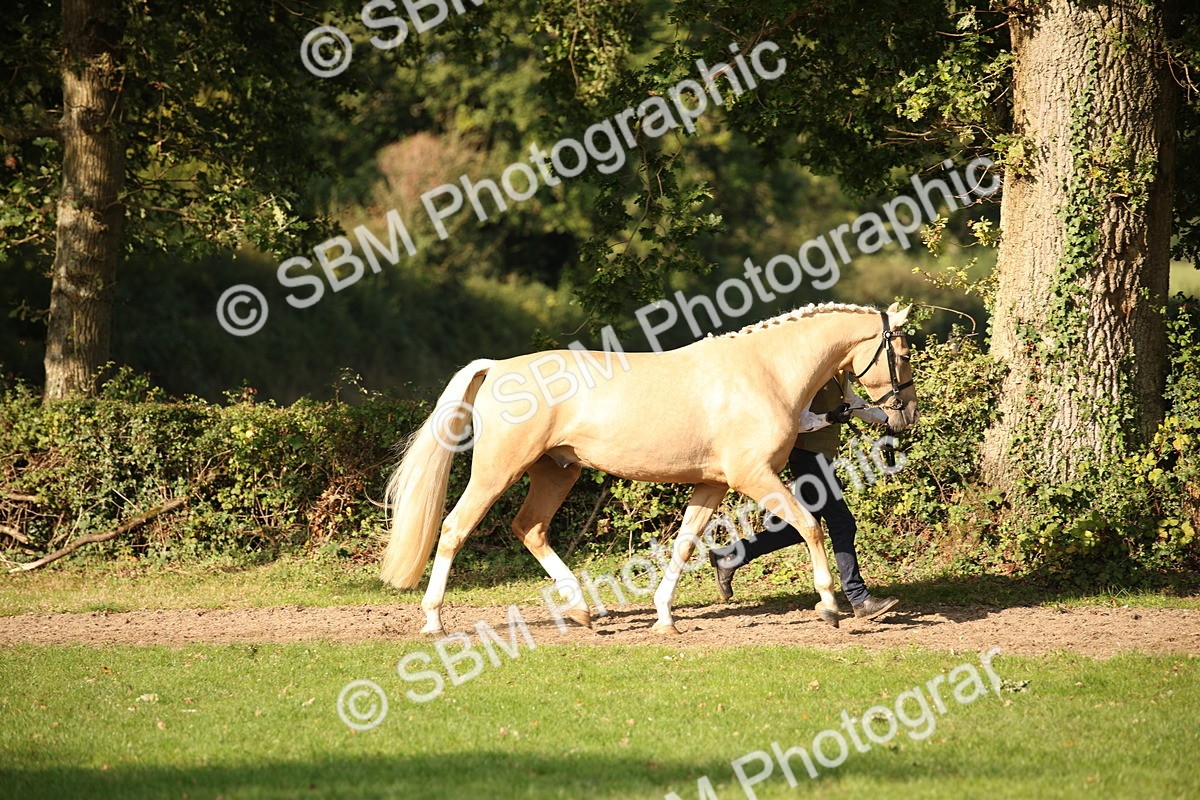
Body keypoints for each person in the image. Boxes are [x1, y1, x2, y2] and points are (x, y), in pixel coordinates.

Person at [707, 375, 899, 620]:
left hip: (820, 459)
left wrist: (888, 419)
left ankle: (731, 556)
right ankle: (859, 598)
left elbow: (852, 402)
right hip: (808, 458)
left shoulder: (838, 373)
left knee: (797, 527)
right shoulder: (812, 374)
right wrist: (829, 418)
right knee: (842, 524)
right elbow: (796, 421)